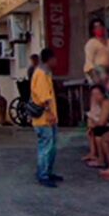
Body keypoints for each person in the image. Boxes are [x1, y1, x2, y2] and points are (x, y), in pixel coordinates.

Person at [31, 47, 62, 188]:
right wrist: (49, 113)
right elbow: (44, 98)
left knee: (51, 146)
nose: (56, 61)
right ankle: (43, 174)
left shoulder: (45, 73)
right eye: (54, 58)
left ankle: (47, 171)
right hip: (44, 118)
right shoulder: (41, 74)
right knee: (46, 147)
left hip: (49, 118)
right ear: (50, 59)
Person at [82, 84, 109, 167]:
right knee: (92, 130)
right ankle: (93, 153)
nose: (95, 97)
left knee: (98, 132)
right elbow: (92, 115)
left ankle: (102, 160)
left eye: (98, 94)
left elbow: (102, 122)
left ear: (103, 94)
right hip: (108, 125)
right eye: (93, 95)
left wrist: (93, 125)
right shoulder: (98, 103)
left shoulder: (106, 103)